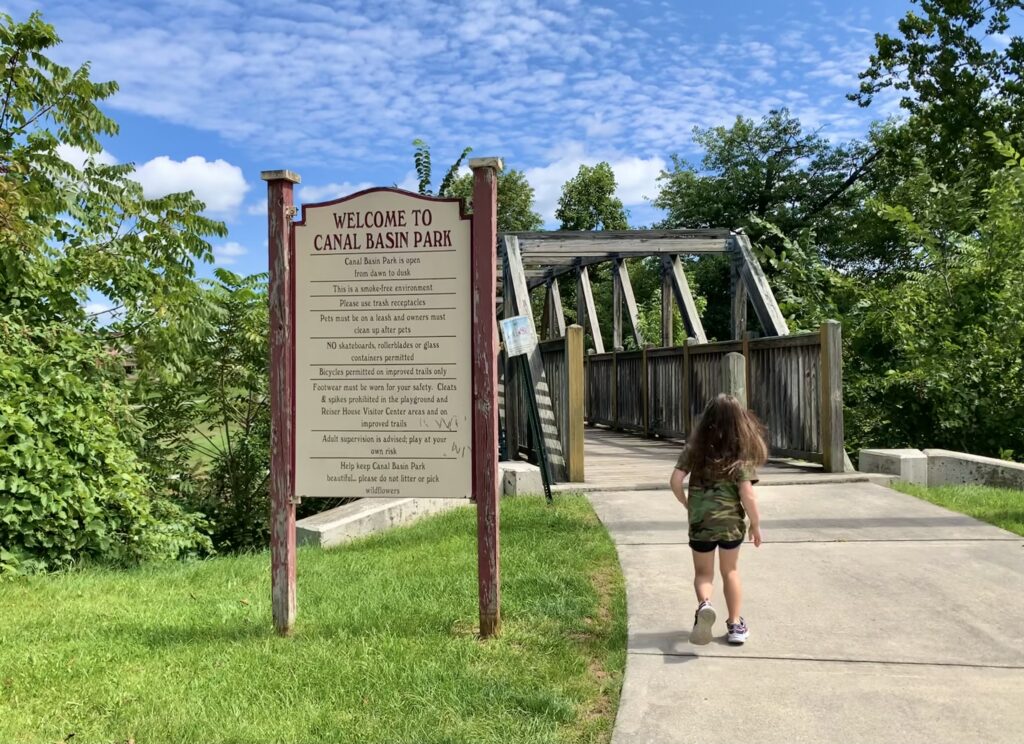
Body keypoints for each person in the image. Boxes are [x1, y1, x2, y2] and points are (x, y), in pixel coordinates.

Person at [669, 394, 767, 645]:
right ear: (739, 420)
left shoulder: (695, 449)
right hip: (730, 523)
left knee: (703, 574)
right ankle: (734, 624)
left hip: (701, 522)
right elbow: (747, 494)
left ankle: (704, 606)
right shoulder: (739, 452)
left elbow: (675, 481)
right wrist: (755, 524)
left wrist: (687, 503)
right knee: (731, 571)